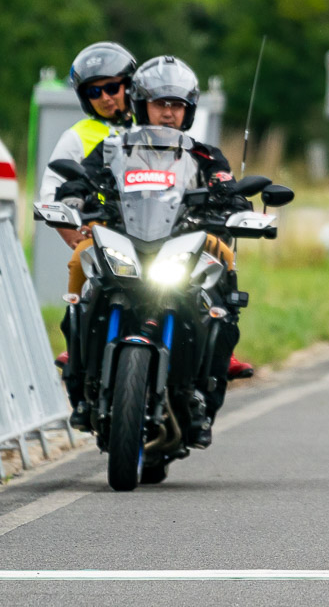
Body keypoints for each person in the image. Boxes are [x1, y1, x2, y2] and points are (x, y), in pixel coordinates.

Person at [58, 56, 253, 439]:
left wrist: (235, 209)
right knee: (81, 254)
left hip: (184, 238)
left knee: (225, 256)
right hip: (125, 237)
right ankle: (76, 348)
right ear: (140, 104)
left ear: (189, 110)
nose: (168, 112)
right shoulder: (113, 148)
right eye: (160, 103)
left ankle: (220, 352)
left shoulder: (205, 154)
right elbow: (79, 183)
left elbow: (230, 192)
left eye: (177, 105)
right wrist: (72, 201)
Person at [39, 42, 137, 251]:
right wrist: (75, 235)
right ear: (85, 98)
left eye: (112, 88)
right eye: (94, 92)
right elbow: (50, 192)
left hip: (156, 228)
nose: (105, 98)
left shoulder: (150, 127)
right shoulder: (76, 136)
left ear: (128, 86)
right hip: (104, 232)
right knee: (78, 264)